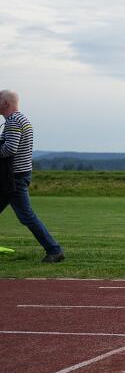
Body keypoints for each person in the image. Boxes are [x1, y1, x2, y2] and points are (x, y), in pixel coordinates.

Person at [0, 90, 64, 263]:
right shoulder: (21, 119)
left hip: (14, 178)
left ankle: (55, 250)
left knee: (27, 216)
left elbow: (9, 149)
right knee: (27, 216)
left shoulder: (13, 121)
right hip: (17, 176)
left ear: (5, 103)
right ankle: (54, 250)